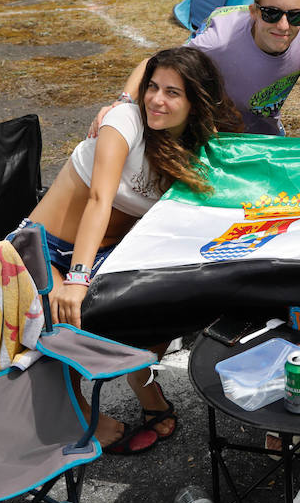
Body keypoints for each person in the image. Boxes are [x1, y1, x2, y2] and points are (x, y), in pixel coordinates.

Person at [30, 47, 242, 454]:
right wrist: (77, 278)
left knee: (176, 296)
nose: (157, 100)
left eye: (173, 93)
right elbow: (98, 200)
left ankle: (140, 376)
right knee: (72, 319)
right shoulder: (123, 120)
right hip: (45, 251)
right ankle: (73, 406)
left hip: (109, 254)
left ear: (196, 102)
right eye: (154, 88)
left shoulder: (190, 151)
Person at [96, 0, 300, 137]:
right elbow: (156, 65)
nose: (283, 25)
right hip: (210, 135)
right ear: (253, 12)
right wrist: (123, 103)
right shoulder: (218, 43)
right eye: (271, 13)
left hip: (263, 135)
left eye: (295, 16)